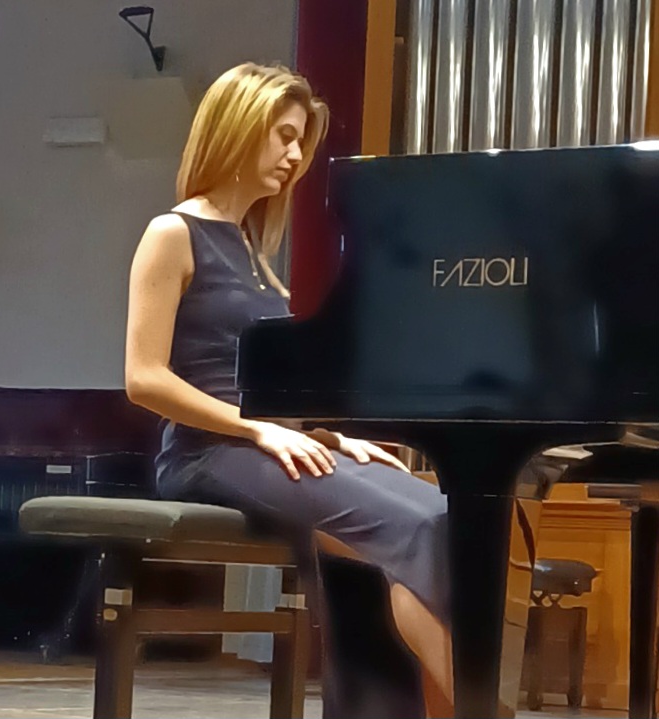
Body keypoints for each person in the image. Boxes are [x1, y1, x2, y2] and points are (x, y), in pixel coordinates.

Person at [124, 62, 453, 718]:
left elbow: (265, 389)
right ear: (237, 129)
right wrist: (256, 429)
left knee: (446, 513)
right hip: (206, 453)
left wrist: (329, 437)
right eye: (283, 136)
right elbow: (144, 378)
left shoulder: (252, 252)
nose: (296, 155)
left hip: (261, 440)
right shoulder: (172, 233)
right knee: (414, 526)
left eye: (300, 140)